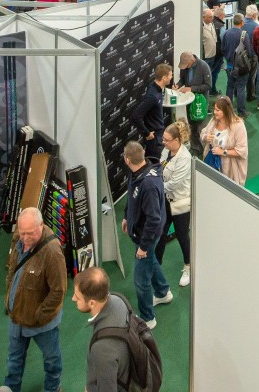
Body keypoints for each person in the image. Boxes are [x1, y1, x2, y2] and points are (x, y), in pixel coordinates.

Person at [4, 207, 67, 392]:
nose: (25, 238)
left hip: (42, 323)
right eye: (22, 233)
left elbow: (59, 291)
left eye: (30, 234)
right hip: (17, 317)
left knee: (52, 360)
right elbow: (12, 268)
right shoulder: (19, 237)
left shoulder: (52, 252)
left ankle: (53, 388)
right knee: (13, 360)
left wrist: (39, 315)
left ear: (41, 225)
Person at [121, 142, 171, 330]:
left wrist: (143, 246)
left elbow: (153, 219)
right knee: (151, 261)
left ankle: (148, 318)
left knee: (141, 280)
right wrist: (127, 216)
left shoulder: (148, 185)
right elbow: (131, 196)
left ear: (127, 159)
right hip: (141, 234)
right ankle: (163, 291)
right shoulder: (136, 173)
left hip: (146, 237)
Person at [72, 268, 131, 392]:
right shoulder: (119, 300)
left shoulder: (102, 348)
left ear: (92, 303)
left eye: (78, 297)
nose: (73, 299)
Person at [155, 120, 192, 288]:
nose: (163, 142)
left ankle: (188, 267)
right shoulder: (166, 150)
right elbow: (160, 168)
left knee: (182, 235)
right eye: (163, 139)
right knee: (161, 233)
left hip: (180, 203)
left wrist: (156, 187)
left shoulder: (185, 158)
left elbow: (175, 183)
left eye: (167, 140)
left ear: (177, 140)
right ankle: (156, 266)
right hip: (166, 200)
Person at [200, 96, 249, 186]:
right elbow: (203, 132)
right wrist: (205, 137)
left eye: (218, 110)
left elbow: (242, 150)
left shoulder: (238, 125)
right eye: (214, 109)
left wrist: (223, 152)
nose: (214, 112)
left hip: (229, 169)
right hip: (212, 164)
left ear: (226, 111)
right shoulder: (214, 120)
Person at [130, 63, 173, 162]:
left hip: (158, 134)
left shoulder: (156, 87)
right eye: (170, 75)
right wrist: (147, 133)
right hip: (154, 138)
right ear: (164, 78)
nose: (171, 77)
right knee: (156, 163)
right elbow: (135, 116)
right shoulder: (152, 96)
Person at [174, 51, 211, 153]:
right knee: (191, 125)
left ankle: (205, 150)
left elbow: (208, 85)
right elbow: (182, 79)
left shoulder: (203, 66)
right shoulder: (185, 67)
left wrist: (191, 89)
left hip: (200, 102)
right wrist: (177, 85)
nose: (185, 67)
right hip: (189, 101)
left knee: (200, 127)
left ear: (192, 60)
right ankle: (195, 147)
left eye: (187, 65)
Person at [221, 13, 254, 117]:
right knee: (240, 88)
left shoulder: (226, 33)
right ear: (242, 22)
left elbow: (222, 48)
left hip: (229, 66)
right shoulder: (244, 34)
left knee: (230, 87)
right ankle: (242, 111)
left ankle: (228, 110)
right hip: (241, 68)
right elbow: (249, 51)